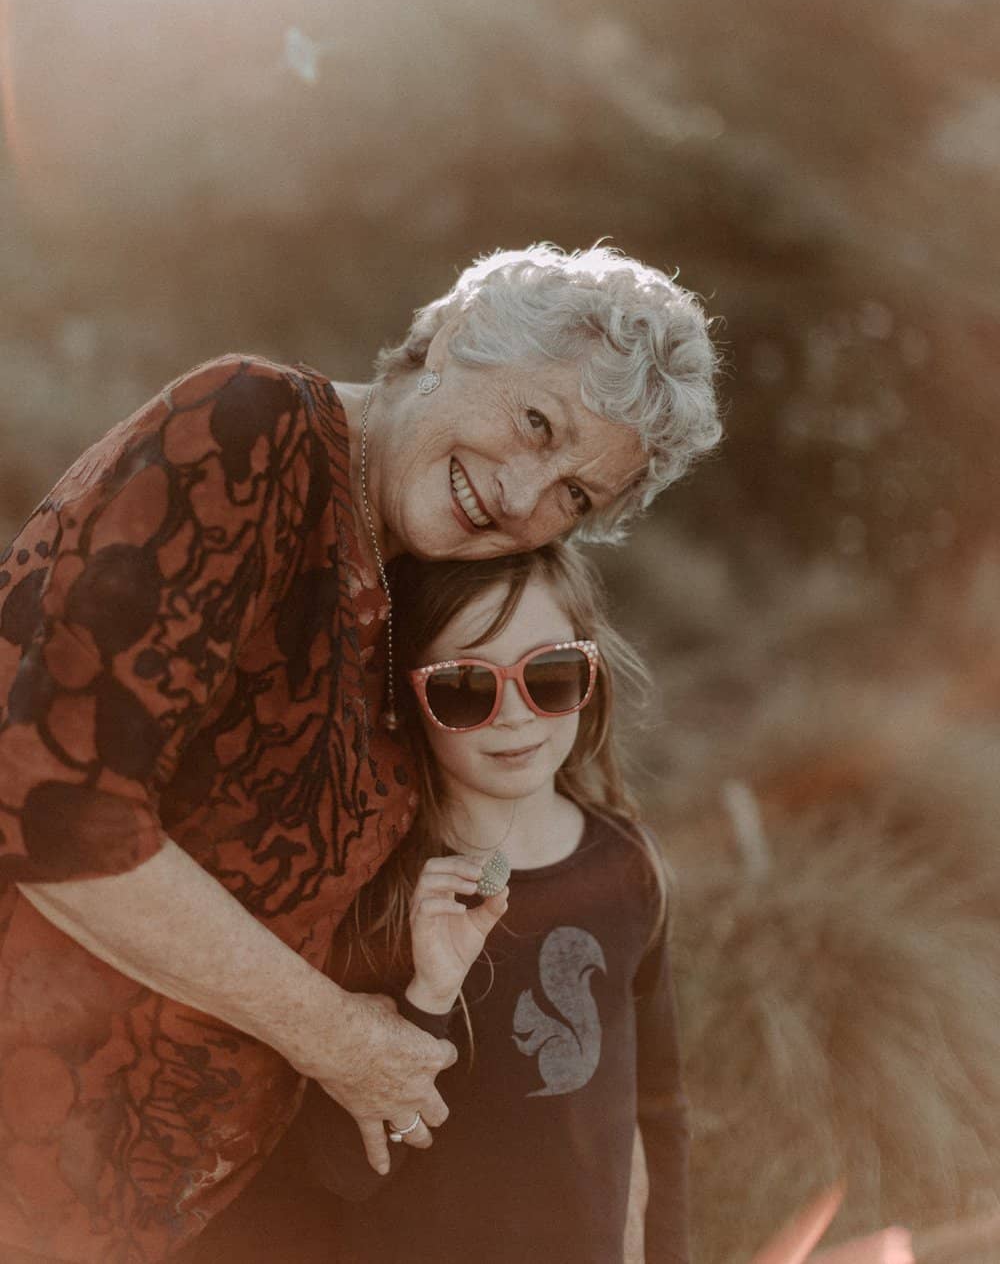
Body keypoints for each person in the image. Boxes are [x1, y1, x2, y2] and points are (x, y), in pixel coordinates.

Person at [0, 243, 720, 1261]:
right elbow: (55, 809)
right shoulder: (256, 429)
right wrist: (338, 1039)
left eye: (573, 496)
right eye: (535, 423)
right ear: (458, 340)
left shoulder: (409, 584)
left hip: (196, 1207)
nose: (523, 499)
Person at [299, 541, 689, 1264]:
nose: (515, 714)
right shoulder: (379, 895)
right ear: (407, 696)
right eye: (465, 687)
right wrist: (429, 994)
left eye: (550, 674)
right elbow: (345, 1171)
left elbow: (658, 1110)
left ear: (590, 673)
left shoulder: (628, 864)